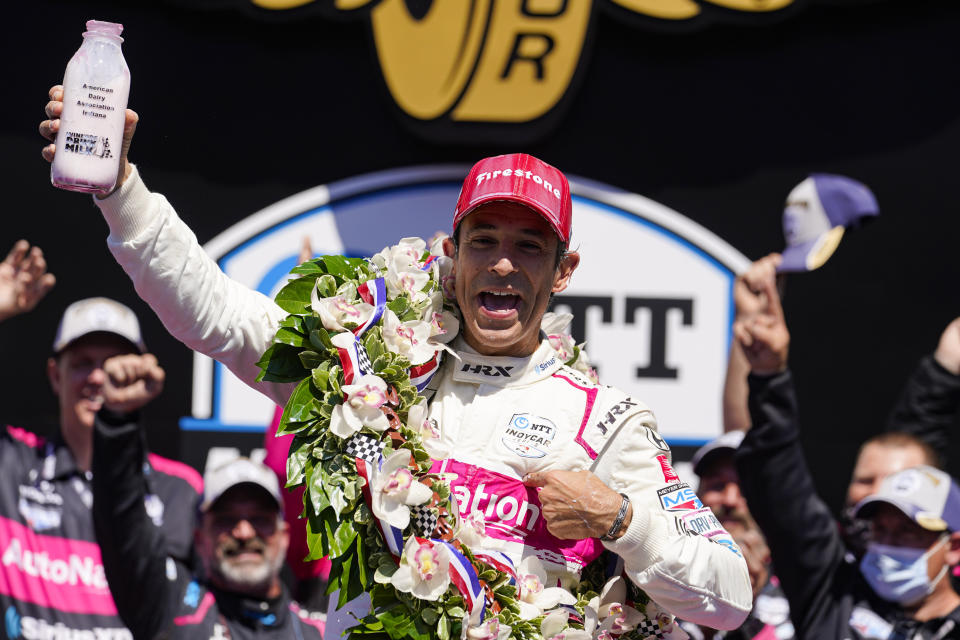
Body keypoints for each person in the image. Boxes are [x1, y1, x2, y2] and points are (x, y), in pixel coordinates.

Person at [39, 88, 753, 631]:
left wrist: (621, 518)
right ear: (451, 254)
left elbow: (728, 596)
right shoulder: (364, 366)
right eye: (485, 241)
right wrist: (119, 190)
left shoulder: (607, 423)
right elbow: (216, 314)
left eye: (530, 247)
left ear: (563, 271)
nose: (503, 265)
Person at [732, 253, 960, 638]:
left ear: (952, 547)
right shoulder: (833, 591)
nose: (887, 546)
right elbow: (780, 488)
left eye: (906, 532)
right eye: (880, 529)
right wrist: (770, 377)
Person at [0, 241, 202, 640]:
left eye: (112, 363)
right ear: (55, 375)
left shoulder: (181, 489)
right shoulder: (10, 464)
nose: (97, 378)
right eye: (82, 364)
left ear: (142, 372)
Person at [91, 355, 326, 640]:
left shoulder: (320, 632)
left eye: (260, 519)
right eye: (226, 520)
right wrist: (118, 421)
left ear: (285, 536)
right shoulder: (170, 608)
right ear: (200, 538)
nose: (243, 531)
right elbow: (122, 523)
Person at [681, 432, 794, 640]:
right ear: (696, 497)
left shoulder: (800, 585)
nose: (730, 500)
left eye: (746, 487)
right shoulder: (659, 578)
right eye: (717, 485)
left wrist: (744, 615)